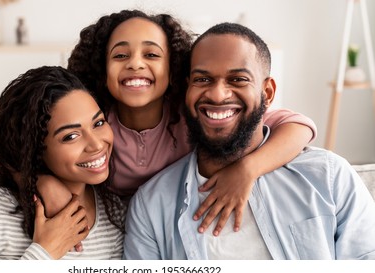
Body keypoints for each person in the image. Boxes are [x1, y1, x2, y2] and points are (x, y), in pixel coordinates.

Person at [0, 10, 317, 235]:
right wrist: (37, 179)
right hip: (120, 227)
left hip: (177, 220)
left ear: (174, 69)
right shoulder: (96, 123)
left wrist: (247, 169)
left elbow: (298, 126)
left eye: (152, 55)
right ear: (102, 68)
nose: (136, 64)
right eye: (121, 55)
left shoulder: (193, 115)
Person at [123, 22, 375, 260]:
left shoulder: (329, 177)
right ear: (187, 89)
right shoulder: (151, 205)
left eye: (238, 79)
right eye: (202, 79)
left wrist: (248, 168)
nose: (218, 94)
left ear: (267, 93)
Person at [0, 66, 125, 260]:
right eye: (70, 136)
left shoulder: (113, 210)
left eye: (98, 123)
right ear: (34, 147)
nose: (96, 144)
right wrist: (45, 251)